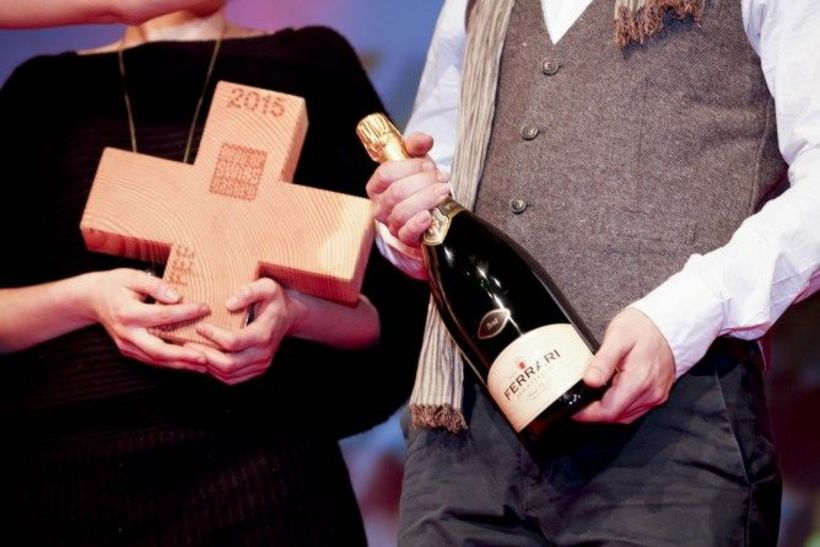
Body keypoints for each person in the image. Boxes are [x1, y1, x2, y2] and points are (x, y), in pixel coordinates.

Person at [367, 0, 820, 545]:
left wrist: (683, 316)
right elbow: (436, 179)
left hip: (670, 437)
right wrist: (405, 215)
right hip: (461, 444)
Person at [0, 1, 427, 544]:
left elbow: (390, 315)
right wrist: (87, 298)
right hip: (67, 474)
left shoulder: (308, 63)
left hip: (264, 473)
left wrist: (292, 313)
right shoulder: (43, 91)